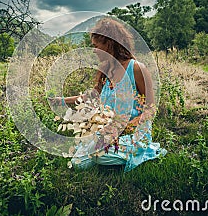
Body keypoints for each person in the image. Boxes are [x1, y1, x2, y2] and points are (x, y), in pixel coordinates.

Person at [50, 17, 166, 172]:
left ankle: (143, 151)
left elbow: (150, 108)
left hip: (134, 132)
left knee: (99, 155)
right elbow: (90, 96)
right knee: (79, 163)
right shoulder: (106, 70)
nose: (93, 50)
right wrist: (62, 100)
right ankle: (110, 154)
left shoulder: (137, 69)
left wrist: (125, 129)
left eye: (96, 46)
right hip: (108, 132)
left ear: (109, 44)